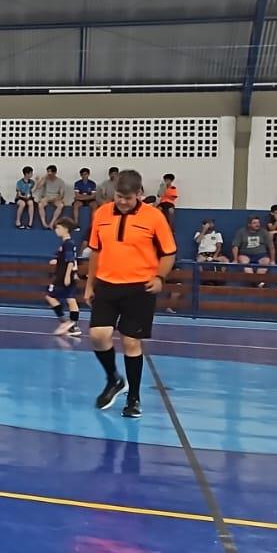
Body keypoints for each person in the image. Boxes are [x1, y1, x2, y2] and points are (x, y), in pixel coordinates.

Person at [83, 170, 177, 419]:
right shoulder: (101, 213)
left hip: (139, 288)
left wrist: (160, 277)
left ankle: (133, 397)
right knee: (98, 335)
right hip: (106, 284)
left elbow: (169, 253)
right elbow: (95, 251)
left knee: (130, 342)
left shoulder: (154, 217)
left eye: (128, 197)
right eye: (119, 196)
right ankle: (114, 378)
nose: (123, 202)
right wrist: (90, 284)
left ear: (139, 194)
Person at [46, 219, 83, 337]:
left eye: (58, 228)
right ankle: (74, 327)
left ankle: (65, 321)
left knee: (50, 296)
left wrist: (67, 276)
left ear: (65, 229)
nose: (56, 230)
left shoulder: (68, 243)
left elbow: (71, 261)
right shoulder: (67, 244)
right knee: (71, 299)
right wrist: (56, 260)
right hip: (65, 274)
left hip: (63, 276)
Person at [37, 165, 70, 229]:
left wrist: (56, 199)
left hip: (55, 197)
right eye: (48, 172)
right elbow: (39, 187)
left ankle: (52, 223)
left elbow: (61, 195)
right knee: (40, 204)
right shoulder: (46, 179)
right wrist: (44, 178)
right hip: (46, 197)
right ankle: (44, 223)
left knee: (60, 205)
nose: (49, 174)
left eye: (51, 172)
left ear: (55, 173)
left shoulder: (60, 181)